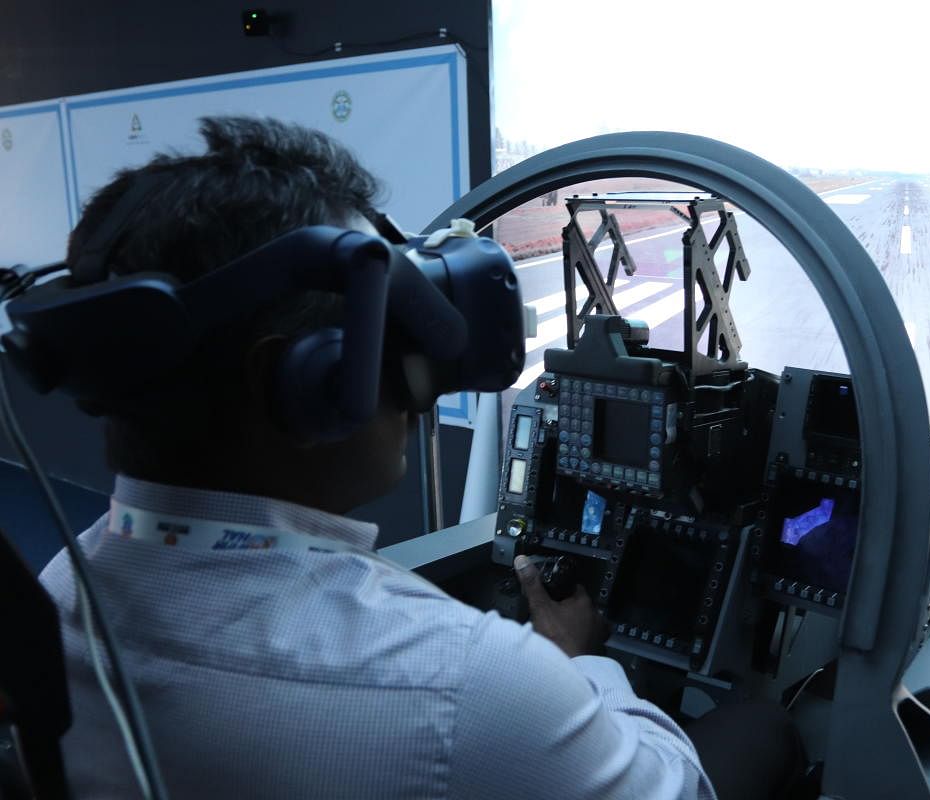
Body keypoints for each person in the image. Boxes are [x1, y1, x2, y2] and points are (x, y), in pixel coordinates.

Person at [39, 116, 801, 799]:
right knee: (760, 728)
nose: (417, 385)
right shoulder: (469, 687)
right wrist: (579, 663)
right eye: (392, 339)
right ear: (314, 384)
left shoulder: (55, 595)